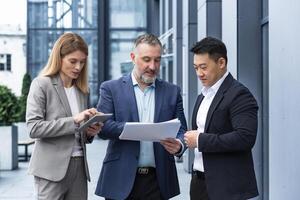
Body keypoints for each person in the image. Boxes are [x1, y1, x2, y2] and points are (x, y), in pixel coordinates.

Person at [95, 33, 187, 200]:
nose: (152, 66)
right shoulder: (110, 89)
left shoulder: (172, 92)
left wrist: (179, 145)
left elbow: (182, 129)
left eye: (157, 60)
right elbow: (103, 128)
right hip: (119, 179)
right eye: (146, 59)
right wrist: (135, 129)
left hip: (158, 182)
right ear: (133, 57)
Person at [26, 32, 102, 200]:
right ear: (59, 58)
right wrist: (74, 120)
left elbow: (79, 133)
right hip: (51, 170)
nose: (78, 67)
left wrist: (89, 132)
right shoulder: (41, 84)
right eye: (73, 61)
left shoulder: (82, 90)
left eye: (82, 62)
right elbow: (34, 128)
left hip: (79, 167)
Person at [184, 37, 259, 200]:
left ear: (221, 62)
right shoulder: (203, 95)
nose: (199, 73)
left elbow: (245, 138)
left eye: (203, 67)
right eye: (195, 68)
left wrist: (200, 141)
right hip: (199, 184)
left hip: (226, 188)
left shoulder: (239, 94)